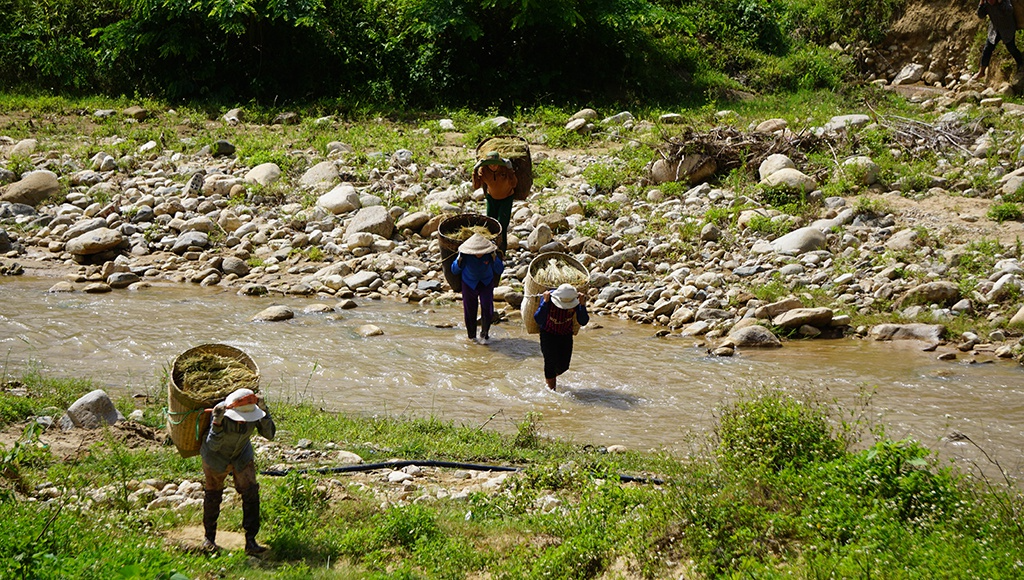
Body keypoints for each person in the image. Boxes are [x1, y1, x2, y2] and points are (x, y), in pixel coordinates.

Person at [201, 387, 276, 555]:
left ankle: (251, 541)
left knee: (250, 492)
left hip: (242, 454)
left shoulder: (253, 409)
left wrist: (265, 412)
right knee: (213, 493)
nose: (243, 421)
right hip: (215, 457)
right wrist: (217, 423)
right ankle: (209, 539)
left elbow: (270, 434)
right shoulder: (220, 412)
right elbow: (213, 445)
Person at [450, 233, 504, 344]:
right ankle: (471, 337)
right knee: (469, 310)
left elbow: (499, 270)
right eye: (477, 252)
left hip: (486, 282)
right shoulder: (465, 255)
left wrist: (494, 259)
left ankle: (485, 334)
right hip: (469, 283)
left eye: (481, 252)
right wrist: (459, 260)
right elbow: (454, 270)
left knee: (487, 307)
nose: (479, 254)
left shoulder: (490, 254)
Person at [533, 283, 590, 391]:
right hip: (548, 333)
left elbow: (583, 321)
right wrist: (544, 303)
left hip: (565, 334)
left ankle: (549, 377)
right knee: (550, 362)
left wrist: (582, 305)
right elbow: (538, 319)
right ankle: (551, 390)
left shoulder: (576, 301)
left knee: (564, 366)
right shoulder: (549, 299)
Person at [472, 151, 517, 255]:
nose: (493, 166)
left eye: (495, 164)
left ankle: (501, 251)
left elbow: (514, 183)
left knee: (502, 224)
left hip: (506, 198)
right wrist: (475, 170)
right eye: (490, 164)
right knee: (490, 224)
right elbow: (476, 185)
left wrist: (510, 170)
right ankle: (490, 249)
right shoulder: (483, 170)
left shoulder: (504, 169)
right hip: (491, 198)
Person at [975, 0, 1024, 82]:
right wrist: (981, 4)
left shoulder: (1004, 2)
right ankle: (982, 71)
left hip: (1007, 29)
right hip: (995, 29)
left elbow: (1009, 11)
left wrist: (1000, 3)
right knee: (987, 49)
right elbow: (980, 15)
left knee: (1011, 48)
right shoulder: (986, 4)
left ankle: (1021, 64)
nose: (990, 2)